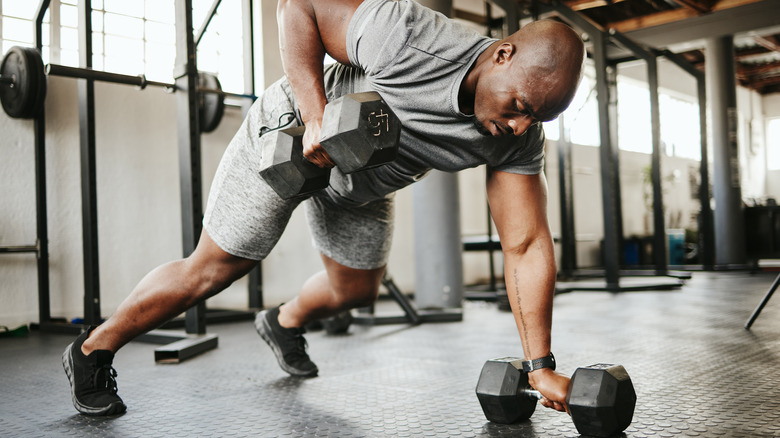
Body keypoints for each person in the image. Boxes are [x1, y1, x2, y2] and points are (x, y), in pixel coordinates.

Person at [62, 0, 584, 417]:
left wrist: (539, 365)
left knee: (356, 289)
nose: (519, 125)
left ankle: (283, 321)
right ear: (502, 55)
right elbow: (300, 7)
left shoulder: (516, 141)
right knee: (215, 269)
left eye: (535, 119)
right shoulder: (408, 37)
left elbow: (525, 243)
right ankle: (93, 351)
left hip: (362, 182)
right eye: (519, 106)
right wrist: (315, 117)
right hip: (291, 135)